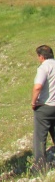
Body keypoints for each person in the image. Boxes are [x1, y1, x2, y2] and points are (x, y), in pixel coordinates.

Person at [31, 45, 55, 173]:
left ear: (41, 56)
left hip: (45, 106)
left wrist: (33, 102)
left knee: (40, 138)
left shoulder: (44, 67)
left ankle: (40, 167)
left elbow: (38, 87)